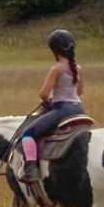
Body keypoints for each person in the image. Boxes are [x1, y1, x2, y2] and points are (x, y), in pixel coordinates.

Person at [20, 29, 84, 183]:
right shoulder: (78, 69)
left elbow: (43, 94)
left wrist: (49, 102)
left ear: (54, 50)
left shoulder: (57, 69)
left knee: (27, 134)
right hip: (79, 109)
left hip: (62, 109)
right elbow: (80, 91)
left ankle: (30, 169)